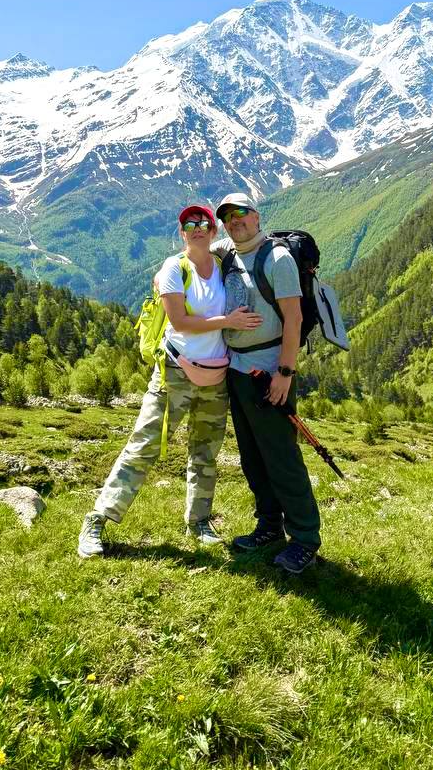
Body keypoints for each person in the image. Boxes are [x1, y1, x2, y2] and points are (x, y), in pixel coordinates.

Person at [77, 203, 262, 558]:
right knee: (144, 445)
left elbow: (247, 243)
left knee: (205, 453)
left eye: (204, 223)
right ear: (181, 232)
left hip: (215, 375)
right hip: (174, 373)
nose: (197, 227)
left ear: (213, 231)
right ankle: (97, 519)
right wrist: (228, 321)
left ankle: (199, 521)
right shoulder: (175, 267)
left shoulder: (222, 261)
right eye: (189, 223)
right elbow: (179, 322)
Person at [215, 193, 322, 574]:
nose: (235, 220)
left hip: (270, 371)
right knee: (252, 456)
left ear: (257, 216)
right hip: (237, 370)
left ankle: (305, 538)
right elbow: (193, 252)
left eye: (241, 213)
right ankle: (269, 525)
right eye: (227, 216)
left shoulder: (276, 259)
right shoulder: (228, 253)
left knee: (281, 456)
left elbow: (293, 320)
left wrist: (285, 373)